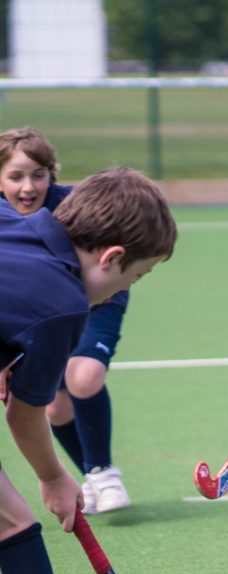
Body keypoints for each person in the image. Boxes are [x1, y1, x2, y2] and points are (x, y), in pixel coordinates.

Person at [0, 166, 177, 574]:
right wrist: (56, 478)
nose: (124, 292)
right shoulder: (62, 305)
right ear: (113, 257)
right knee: (13, 523)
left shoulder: (11, 221)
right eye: (138, 277)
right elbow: (25, 416)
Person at [0, 128, 131, 515]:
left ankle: (104, 472)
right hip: (41, 316)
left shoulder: (73, 205)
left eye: (38, 175)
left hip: (97, 299)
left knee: (85, 376)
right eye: (15, 177)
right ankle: (89, 479)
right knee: (55, 409)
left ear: (52, 173)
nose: (28, 187)